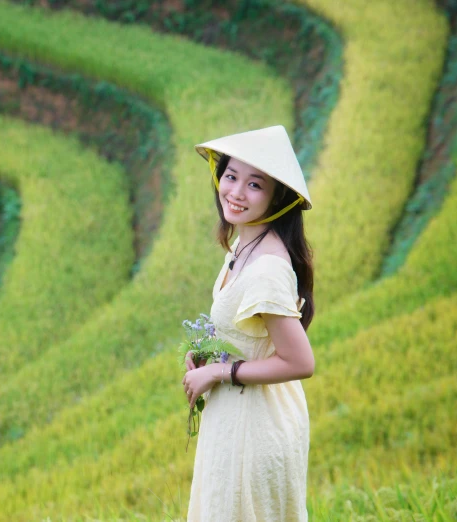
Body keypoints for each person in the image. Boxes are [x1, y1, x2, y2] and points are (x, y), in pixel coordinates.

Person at [183, 125, 315, 521]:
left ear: (277, 198)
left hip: (255, 429)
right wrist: (207, 352)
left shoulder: (267, 268)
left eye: (255, 184)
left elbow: (300, 362)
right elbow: (250, 331)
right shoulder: (244, 243)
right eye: (230, 176)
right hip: (237, 415)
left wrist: (220, 372)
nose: (236, 192)